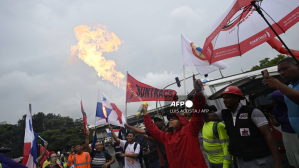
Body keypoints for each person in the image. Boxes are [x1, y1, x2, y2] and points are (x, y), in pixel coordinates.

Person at [204, 85, 283, 168]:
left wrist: (278, 161)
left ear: (236, 98)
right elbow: (205, 117)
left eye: (227, 97)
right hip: (241, 162)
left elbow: (268, 135)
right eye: (223, 98)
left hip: (260, 160)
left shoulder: (253, 112)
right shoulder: (225, 114)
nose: (224, 100)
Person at [143, 74, 208, 168]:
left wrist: (198, 92)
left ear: (181, 121)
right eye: (170, 118)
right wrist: (145, 114)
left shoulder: (190, 130)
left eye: (173, 118)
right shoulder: (166, 137)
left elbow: (198, 114)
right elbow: (153, 129)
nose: (170, 120)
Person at [264, 57, 299, 135]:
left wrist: (279, 85)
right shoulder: (290, 86)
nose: (282, 73)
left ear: (297, 66)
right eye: (279, 71)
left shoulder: (282, 87)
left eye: (285, 69)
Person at [268, 90, 299, 168]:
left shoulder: (293, 104)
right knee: (292, 152)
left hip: (297, 131)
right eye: (274, 100)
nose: (276, 101)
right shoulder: (276, 109)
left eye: (277, 99)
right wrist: (272, 119)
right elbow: (277, 124)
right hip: (287, 133)